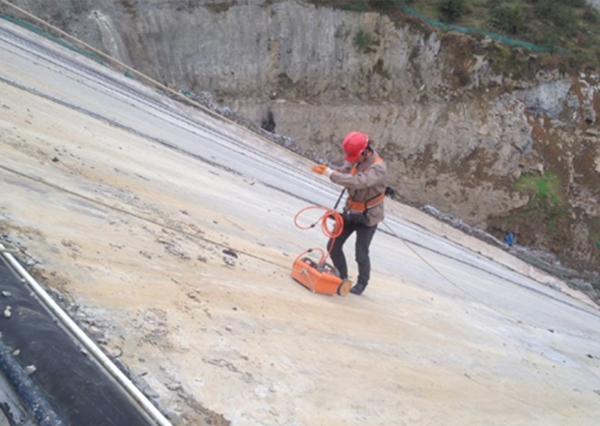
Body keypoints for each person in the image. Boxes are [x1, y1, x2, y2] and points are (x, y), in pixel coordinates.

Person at [311, 131, 387, 295]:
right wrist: (332, 171)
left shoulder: (378, 168)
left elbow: (359, 182)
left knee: (361, 253)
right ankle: (342, 278)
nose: (352, 161)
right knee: (333, 245)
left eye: (355, 157)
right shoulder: (355, 160)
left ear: (365, 151)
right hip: (351, 212)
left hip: (368, 217)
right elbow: (344, 171)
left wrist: (330, 175)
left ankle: (362, 282)